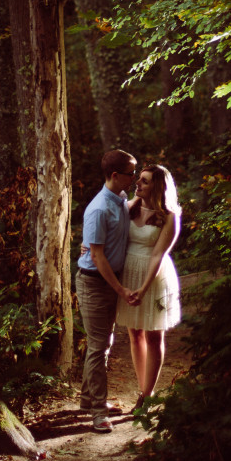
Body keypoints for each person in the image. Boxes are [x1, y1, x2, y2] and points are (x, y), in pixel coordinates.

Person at [75, 149, 137, 434]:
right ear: (115, 176)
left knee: (102, 343)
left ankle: (88, 399)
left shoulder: (121, 200)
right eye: (131, 173)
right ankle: (98, 413)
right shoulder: (99, 208)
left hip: (106, 282)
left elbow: (126, 212)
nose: (134, 178)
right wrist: (122, 290)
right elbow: (97, 257)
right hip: (94, 283)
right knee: (99, 346)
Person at [115, 164, 182, 408]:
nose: (137, 183)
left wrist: (143, 289)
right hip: (129, 273)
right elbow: (110, 236)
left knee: (154, 335)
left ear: (157, 186)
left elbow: (158, 255)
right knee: (135, 334)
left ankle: (147, 394)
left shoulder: (170, 216)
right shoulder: (130, 207)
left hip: (155, 277)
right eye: (139, 180)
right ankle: (142, 387)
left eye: (144, 181)